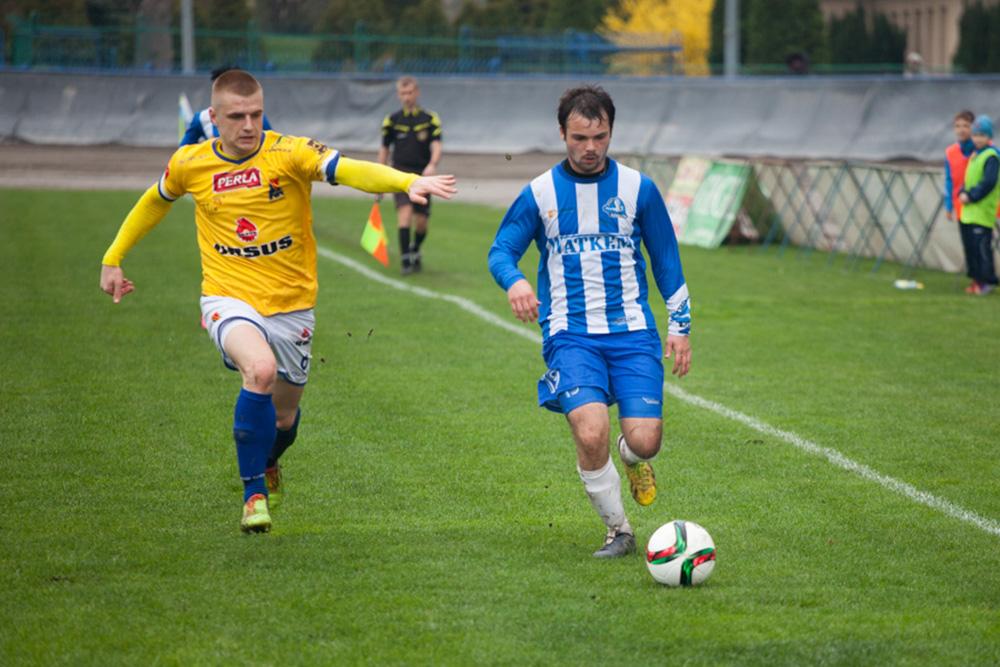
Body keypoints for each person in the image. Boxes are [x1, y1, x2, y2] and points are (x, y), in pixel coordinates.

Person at [100, 69, 457, 533]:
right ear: (213, 118)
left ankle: (268, 460)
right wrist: (113, 258)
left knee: (284, 419)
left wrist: (405, 181)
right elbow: (155, 200)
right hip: (228, 296)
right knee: (260, 371)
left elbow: (349, 169)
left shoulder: (290, 152)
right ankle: (253, 496)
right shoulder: (190, 162)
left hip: (292, 305)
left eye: (256, 114)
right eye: (236, 117)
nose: (249, 125)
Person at [487, 85, 692, 558]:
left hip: (633, 332)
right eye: (579, 138)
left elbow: (667, 261)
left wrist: (680, 327)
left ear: (611, 132)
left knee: (646, 440)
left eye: (599, 137)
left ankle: (632, 455)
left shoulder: (638, 189)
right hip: (570, 334)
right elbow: (501, 251)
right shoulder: (539, 193)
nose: (590, 148)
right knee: (590, 429)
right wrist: (515, 282)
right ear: (562, 133)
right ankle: (619, 530)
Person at [377, 76, 443, 274]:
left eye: (410, 92)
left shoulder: (430, 118)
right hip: (399, 173)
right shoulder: (392, 120)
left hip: (423, 176)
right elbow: (384, 149)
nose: (407, 97)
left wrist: (432, 164)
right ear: (398, 95)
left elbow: (437, 145)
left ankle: (415, 248)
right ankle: (406, 261)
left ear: (417, 92)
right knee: (404, 215)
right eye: (403, 93)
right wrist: (378, 176)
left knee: (421, 223)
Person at [958, 114, 1000, 295]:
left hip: (982, 212)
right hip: (969, 212)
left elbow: (988, 183)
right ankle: (976, 280)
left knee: (982, 248)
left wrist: (971, 196)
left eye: (982, 135)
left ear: (989, 136)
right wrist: (962, 192)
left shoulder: (992, 157)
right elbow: (969, 179)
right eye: (975, 135)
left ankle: (986, 282)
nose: (978, 139)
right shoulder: (975, 155)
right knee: (971, 249)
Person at [180, 65, 273, 146]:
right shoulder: (201, 118)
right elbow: (183, 151)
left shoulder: (257, 117)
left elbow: (272, 145)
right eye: (236, 116)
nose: (248, 126)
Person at [944, 110, 976, 225]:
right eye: (957, 126)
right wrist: (948, 206)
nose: (961, 130)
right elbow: (949, 180)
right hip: (961, 205)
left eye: (966, 126)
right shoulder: (950, 152)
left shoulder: (984, 150)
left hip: (981, 205)